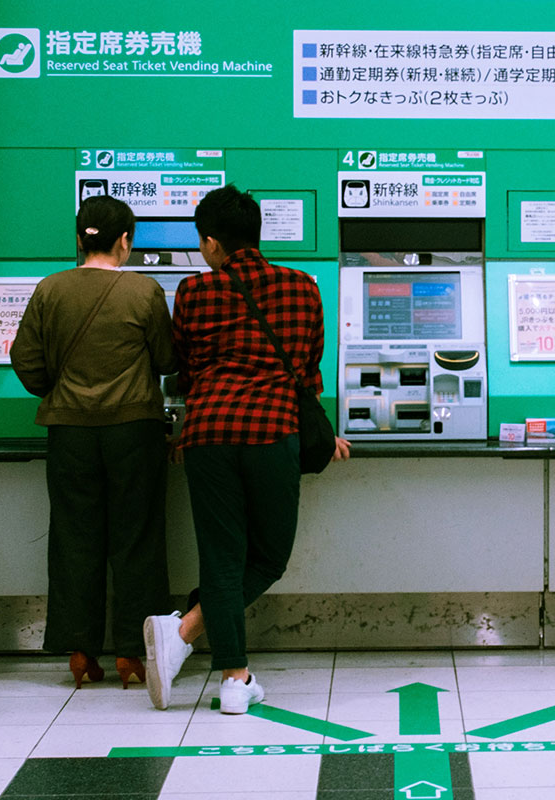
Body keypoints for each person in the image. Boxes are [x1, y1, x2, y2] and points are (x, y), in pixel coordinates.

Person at [143, 185, 350, 714]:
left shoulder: (192, 292)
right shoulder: (302, 287)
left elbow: (184, 372)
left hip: (208, 435)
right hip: (273, 432)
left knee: (221, 556)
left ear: (212, 243)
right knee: (269, 557)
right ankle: (221, 666)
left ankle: (199, 644)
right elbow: (307, 371)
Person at [11, 195, 177, 689]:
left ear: (80, 237)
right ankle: (133, 654)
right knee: (138, 540)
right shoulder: (144, 293)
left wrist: (56, 390)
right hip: (134, 431)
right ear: (125, 240)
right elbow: (167, 360)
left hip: (71, 433)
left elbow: (26, 359)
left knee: (73, 539)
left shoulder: (50, 290)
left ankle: (81, 652)